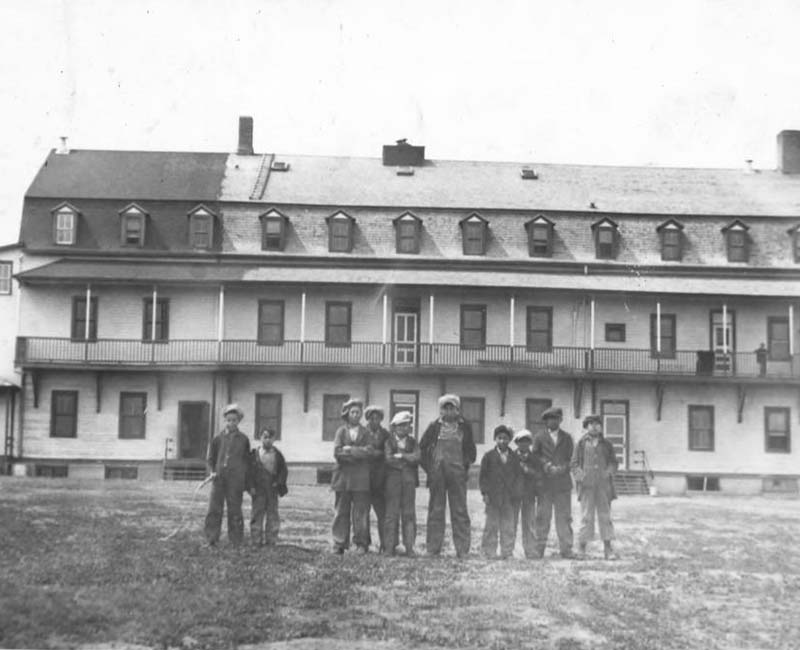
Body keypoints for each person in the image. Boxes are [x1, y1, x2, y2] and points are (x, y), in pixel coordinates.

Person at [419, 394, 476, 558]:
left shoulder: (465, 427)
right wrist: (430, 469)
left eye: (452, 408)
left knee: (459, 511)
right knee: (436, 510)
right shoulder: (434, 427)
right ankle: (433, 548)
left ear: (458, 410)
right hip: (438, 474)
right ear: (441, 410)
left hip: (457, 474)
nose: (449, 411)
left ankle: (463, 549)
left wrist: (464, 465)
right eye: (445, 408)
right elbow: (421, 449)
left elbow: (471, 452)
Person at [572, 414, 619, 560]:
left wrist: (608, 472)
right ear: (586, 427)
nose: (594, 426)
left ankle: (608, 549)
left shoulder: (607, 444)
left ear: (601, 426)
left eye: (597, 424)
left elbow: (613, 463)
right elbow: (574, 464)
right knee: (586, 516)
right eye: (591, 424)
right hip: (587, 486)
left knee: (605, 516)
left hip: (603, 487)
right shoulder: (580, 443)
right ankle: (582, 548)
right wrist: (581, 476)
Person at [204, 404, 251, 547]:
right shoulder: (217, 438)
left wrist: (243, 480)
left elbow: (246, 461)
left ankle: (236, 540)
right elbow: (211, 458)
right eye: (228, 420)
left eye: (234, 420)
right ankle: (212, 538)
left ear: (239, 421)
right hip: (219, 478)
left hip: (235, 480)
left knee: (235, 509)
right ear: (225, 420)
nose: (231, 423)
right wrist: (212, 471)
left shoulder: (243, 440)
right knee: (214, 509)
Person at [532, 406, 576, 559]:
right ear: (545, 421)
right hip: (545, 485)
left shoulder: (567, 438)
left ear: (560, 420)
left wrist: (562, 469)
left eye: (555, 419)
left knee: (564, 517)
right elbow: (535, 456)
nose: (552, 422)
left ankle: (566, 549)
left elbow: (572, 459)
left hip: (562, 484)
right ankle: (538, 549)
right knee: (543, 517)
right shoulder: (539, 437)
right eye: (549, 419)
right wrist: (546, 466)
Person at [331, 398, 374, 554]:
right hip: (342, 478)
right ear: (347, 414)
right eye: (353, 412)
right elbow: (337, 453)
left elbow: (369, 452)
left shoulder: (366, 432)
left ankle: (361, 543)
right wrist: (356, 453)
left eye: (358, 412)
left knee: (360, 513)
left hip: (361, 479)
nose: (356, 415)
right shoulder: (340, 431)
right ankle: (339, 543)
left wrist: (350, 450)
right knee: (341, 511)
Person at [479, 425, 523, 559]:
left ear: (509, 440)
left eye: (505, 438)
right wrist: (485, 493)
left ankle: (507, 551)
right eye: (499, 438)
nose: (502, 441)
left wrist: (516, 493)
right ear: (495, 439)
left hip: (508, 498)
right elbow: (483, 477)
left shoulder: (514, 457)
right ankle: (489, 551)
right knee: (491, 525)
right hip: (493, 497)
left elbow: (518, 477)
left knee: (508, 526)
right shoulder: (488, 456)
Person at [383, 410, 420, 557]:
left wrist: (402, 456)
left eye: (406, 425)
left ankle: (409, 547)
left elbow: (417, 457)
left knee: (409, 514)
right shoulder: (389, 442)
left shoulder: (413, 442)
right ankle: (389, 547)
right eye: (400, 426)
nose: (404, 429)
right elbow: (388, 459)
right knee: (391, 514)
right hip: (393, 482)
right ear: (394, 428)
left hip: (409, 482)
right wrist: (406, 462)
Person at [247, 427, 288, 547]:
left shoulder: (277, 455)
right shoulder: (254, 454)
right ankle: (256, 540)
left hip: (272, 489)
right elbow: (249, 472)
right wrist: (251, 487)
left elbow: (283, 471)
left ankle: (271, 540)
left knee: (272, 515)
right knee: (256, 514)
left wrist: (279, 482)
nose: (268, 440)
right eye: (265, 437)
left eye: (270, 437)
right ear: (260, 438)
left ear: (274, 439)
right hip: (258, 490)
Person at [513, 429, 544, 559]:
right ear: (516, 443)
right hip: (514, 495)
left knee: (529, 524)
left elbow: (539, 475)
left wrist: (528, 470)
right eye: (521, 442)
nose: (523, 445)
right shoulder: (511, 457)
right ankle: (509, 549)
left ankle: (530, 550)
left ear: (530, 443)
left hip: (529, 495)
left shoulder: (535, 459)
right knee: (511, 522)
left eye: (526, 442)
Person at [364, 404, 390, 552]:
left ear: (381, 419)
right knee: (363, 512)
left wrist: (378, 453)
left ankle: (385, 544)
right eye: (371, 418)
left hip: (380, 479)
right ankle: (364, 543)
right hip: (364, 477)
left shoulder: (386, 434)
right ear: (367, 419)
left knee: (382, 513)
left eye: (377, 418)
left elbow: (387, 452)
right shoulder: (362, 433)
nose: (374, 421)